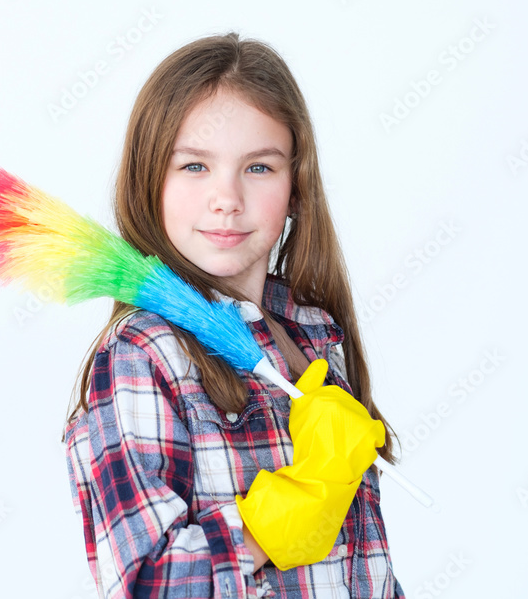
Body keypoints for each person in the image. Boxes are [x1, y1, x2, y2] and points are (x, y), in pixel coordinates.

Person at [61, 32, 405, 598]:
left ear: (296, 187)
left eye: (259, 167)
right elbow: (150, 583)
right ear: (150, 182)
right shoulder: (143, 356)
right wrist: (287, 511)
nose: (227, 198)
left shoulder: (315, 339)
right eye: (195, 165)